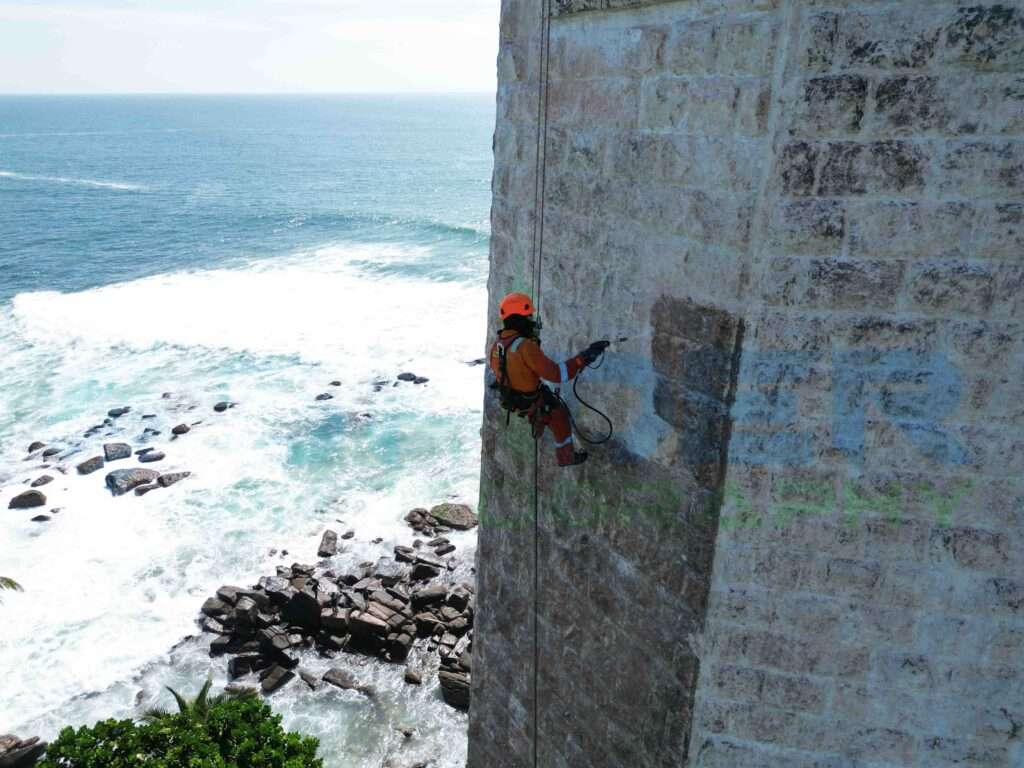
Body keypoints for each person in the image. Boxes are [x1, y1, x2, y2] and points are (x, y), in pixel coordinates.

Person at [489, 292, 606, 467]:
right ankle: (566, 457)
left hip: (512, 397)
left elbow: (502, 369)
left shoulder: (498, 344)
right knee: (559, 417)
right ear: (520, 318)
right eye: (528, 317)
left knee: (551, 409)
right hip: (530, 399)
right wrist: (584, 357)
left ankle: (541, 418)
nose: (531, 321)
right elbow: (558, 374)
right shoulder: (525, 346)